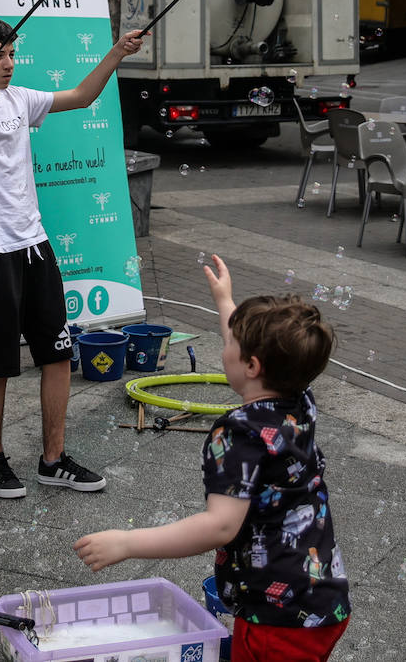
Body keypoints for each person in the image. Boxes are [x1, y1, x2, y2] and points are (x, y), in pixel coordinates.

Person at [74, 255, 350, 662]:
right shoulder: (300, 401)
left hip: (278, 618)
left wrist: (127, 543)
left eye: (230, 344)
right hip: (321, 597)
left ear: (252, 365)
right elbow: (249, 349)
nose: (225, 347)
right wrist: (225, 301)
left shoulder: (240, 433)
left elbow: (219, 525)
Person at [0, 13, 146, 500]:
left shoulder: (21, 99)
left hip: (35, 246)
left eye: (11, 53)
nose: (8, 63)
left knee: (57, 355)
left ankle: (53, 459)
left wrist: (115, 53)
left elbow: (81, 97)